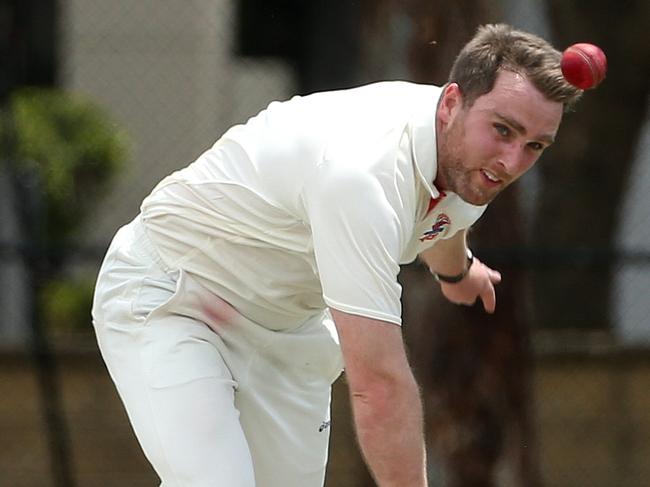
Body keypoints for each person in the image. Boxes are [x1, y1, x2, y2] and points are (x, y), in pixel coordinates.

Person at [92, 23, 581, 487]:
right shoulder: (361, 175)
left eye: (535, 145)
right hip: (175, 297)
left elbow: (442, 221)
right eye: (504, 131)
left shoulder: (466, 158)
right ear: (452, 102)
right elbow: (381, 384)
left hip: (288, 332)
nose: (513, 161)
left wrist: (459, 273)